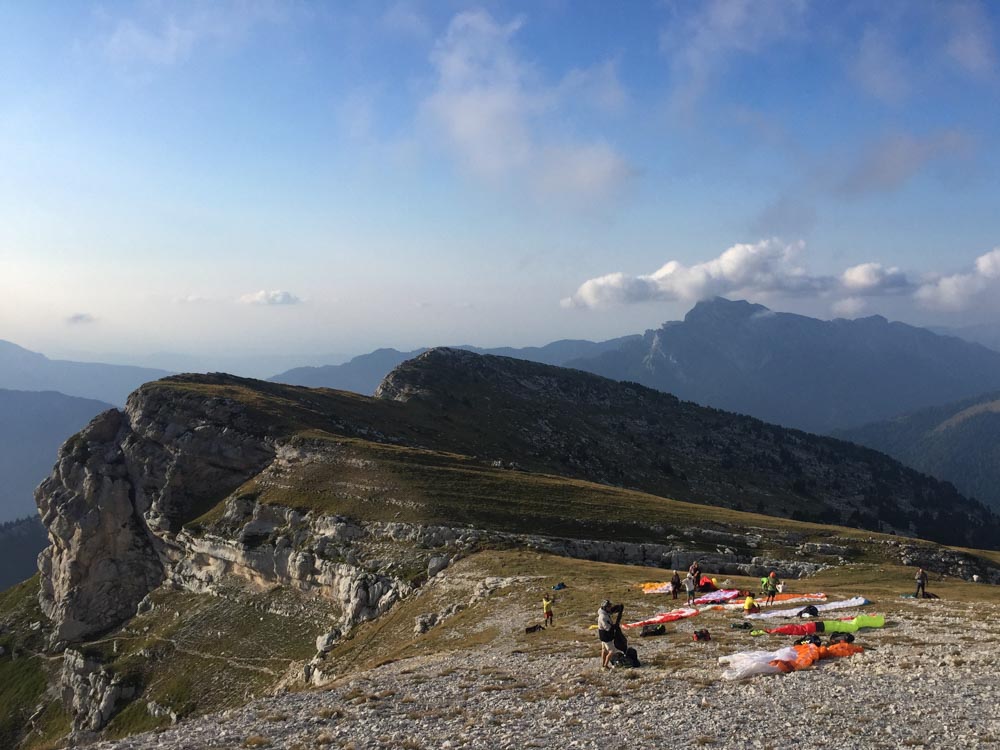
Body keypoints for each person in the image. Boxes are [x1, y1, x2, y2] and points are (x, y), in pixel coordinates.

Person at [597, 600, 624, 669]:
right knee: (612, 651)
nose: (610, 608)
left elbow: (611, 612)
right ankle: (605, 666)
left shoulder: (603, 613)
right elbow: (608, 628)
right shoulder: (603, 617)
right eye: (609, 607)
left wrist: (618, 608)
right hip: (606, 636)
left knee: (604, 650)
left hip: (602, 636)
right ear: (605, 607)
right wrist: (614, 626)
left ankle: (603, 664)